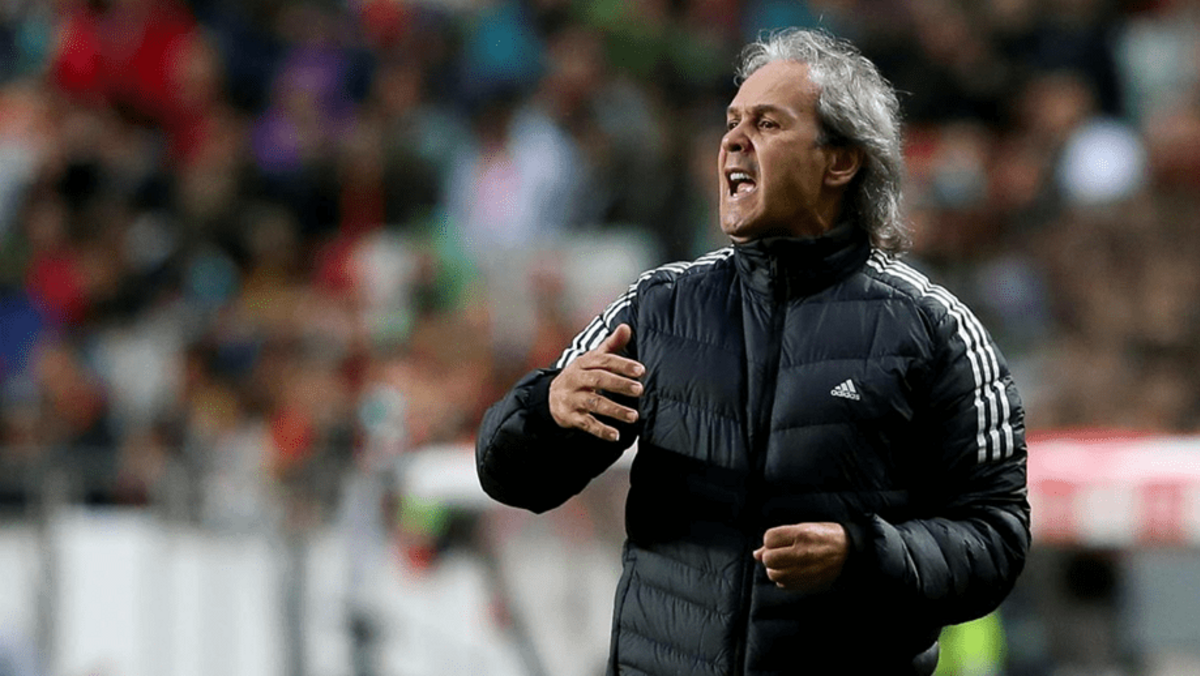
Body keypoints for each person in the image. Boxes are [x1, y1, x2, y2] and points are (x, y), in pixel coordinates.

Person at [476, 27, 1029, 676]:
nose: (733, 141)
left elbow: (996, 538)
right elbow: (511, 477)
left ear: (840, 162)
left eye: (767, 123)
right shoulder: (659, 308)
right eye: (732, 122)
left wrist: (863, 553)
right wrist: (546, 409)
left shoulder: (933, 329)